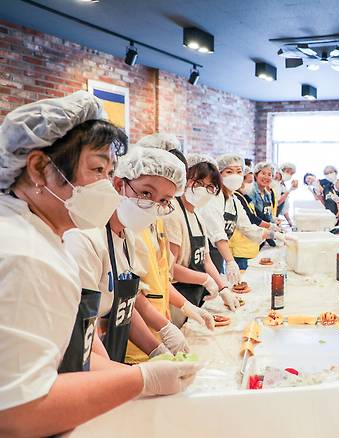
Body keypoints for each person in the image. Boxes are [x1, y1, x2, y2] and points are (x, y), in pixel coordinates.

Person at [0, 92, 197, 436]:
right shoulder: (25, 253)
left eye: (109, 171)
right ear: (38, 168)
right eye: (96, 169)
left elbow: (80, 343)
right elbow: (17, 411)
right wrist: (139, 380)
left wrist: (154, 353)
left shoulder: (46, 237)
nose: (108, 186)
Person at [62, 145, 190, 363]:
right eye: (146, 193)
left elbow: (126, 306)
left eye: (163, 201)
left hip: (112, 358)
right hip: (83, 363)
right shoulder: (86, 237)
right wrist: (128, 376)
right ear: (120, 184)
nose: (152, 205)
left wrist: (157, 350)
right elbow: (79, 329)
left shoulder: (129, 238)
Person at [121, 133, 214, 364]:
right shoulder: (130, 223)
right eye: (146, 192)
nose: (157, 202)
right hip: (136, 343)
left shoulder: (158, 218)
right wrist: (162, 333)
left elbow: (162, 276)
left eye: (165, 198)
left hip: (157, 329)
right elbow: (132, 293)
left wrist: (187, 307)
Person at [164, 153, 238, 326]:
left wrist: (223, 288)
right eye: (198, 183)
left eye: (210, 186)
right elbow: (169, 268)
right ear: (185, 178)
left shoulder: (196, 214)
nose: (203, 189)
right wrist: (204, 279)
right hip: (177, 297)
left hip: (195, 295)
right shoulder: (173, 214)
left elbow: (205, 259)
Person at [201, 154, 280, 274]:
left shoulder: (233, 200)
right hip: (205, 254)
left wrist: (273, 234)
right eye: (229, 171)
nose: (235, 176)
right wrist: (230, 262)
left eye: (239, 172)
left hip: (219, 254)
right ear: (219, 174)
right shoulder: (213, 199)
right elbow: (218, 234)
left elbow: (247, 228)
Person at [230, 164, 269, 270]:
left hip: (249, 246)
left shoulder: (244, 196)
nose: (251, 185)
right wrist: (270, 231)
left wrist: (271, 225)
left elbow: (256, 214)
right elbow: (249, 220)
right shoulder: (236, 197)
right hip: (240, 248)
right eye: (249, 182)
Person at [250, 161, 282, 247]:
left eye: (269, 174)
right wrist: (270, 226)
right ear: (256, 175)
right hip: (252, 235)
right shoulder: (251, 191)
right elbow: (251, 216)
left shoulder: (267, 194)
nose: (266, 177)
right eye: (263, 173)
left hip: (263, 235)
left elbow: (267, 214)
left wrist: (274, 220)